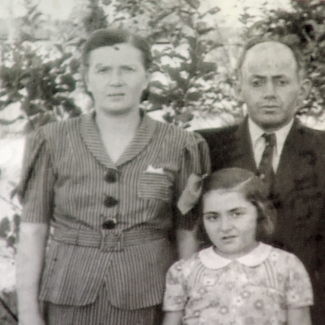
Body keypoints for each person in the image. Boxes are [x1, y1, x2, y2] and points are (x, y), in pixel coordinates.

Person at [16, 28, 210, 325]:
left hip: (150, 297)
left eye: (128, 69)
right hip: (68, 294)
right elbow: (33, 231)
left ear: (146, 77)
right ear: (87, 79)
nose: (115, 81)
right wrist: (29, 314)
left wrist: (182, 311)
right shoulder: (52, 141)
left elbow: (187, 236)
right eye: (103, 70)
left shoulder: (180, 144)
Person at [198, 37, 325, 324]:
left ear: (302, 90)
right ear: (238, 88)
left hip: (308, 310)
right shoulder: (206, 147)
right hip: (222, 311)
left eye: (280, 81)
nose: (269, 93)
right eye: (257, 82)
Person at [163, 168, 313, 325]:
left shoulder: (287, 266)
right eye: (213, 217)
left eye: (236, 214)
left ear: (260, 212)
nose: (225, 227)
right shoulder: (184, 271)